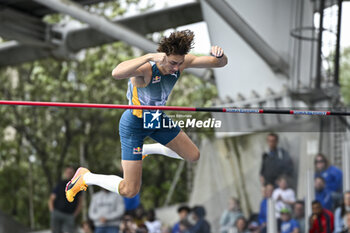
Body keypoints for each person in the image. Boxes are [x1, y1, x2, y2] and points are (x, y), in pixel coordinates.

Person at [65, 29, 228, 201]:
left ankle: (146, 149)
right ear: (162, 56)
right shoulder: (146, 70)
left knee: (193, 155)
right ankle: (85, 177)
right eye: (173, 63)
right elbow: (116, 72)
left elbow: (219, 63)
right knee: (130, 190)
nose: (176, 68)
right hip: (134, 125)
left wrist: (220, 56)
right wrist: (148, 57)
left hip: (156, 119)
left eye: (179, 63)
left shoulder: (181, 63)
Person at [49, 166, 83, 233]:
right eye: (68, 172)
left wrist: (75, 214)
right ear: (65, 173)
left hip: (69, 215)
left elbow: (80, 202)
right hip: (57, 213)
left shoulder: (77, 186)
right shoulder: (60, 184)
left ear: (74, 174)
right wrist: (52, 211)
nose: (69, 174)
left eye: (71, 172)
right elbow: (52, 198)